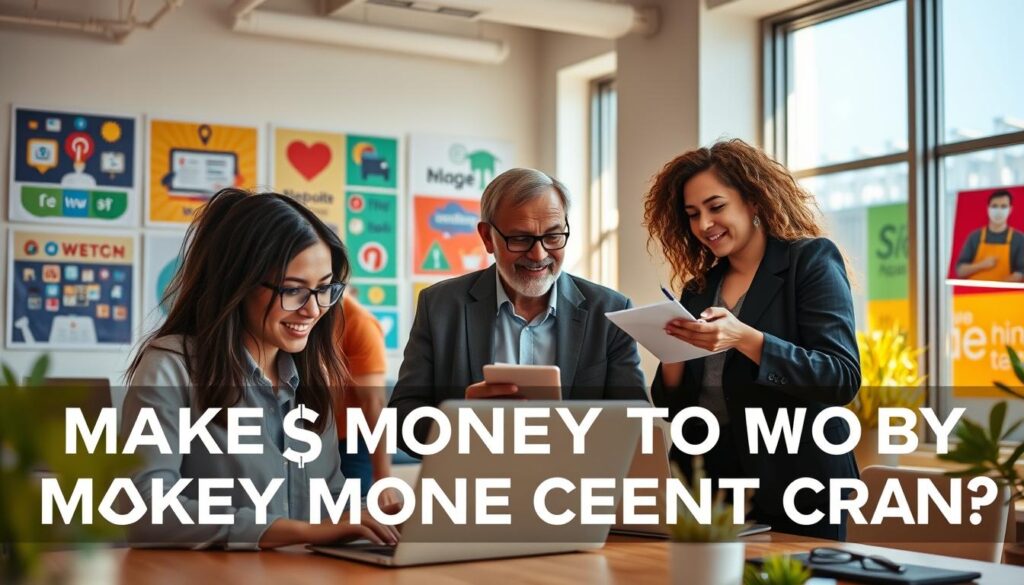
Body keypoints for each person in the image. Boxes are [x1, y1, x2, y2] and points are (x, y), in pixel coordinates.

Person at [123, 188, 398, 549]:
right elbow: (142, 510)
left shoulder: (313, 378)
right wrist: (296, 531)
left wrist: (373, 517)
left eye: (324, 289)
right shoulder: (171, 367)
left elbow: (327, 500)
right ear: (237, 284)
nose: (314, 310)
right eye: (293, 290)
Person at [643, 139, 861, 540]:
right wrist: (671, 350)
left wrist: (745, 338)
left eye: (716, 206)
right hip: (710, 487)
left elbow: (840, 377)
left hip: (797, 483)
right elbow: (676, 407)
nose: (704, 224)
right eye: (693, 214)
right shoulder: (698, 289)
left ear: (754, 201)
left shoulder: (809, 262)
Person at [389, 167, 647, 452]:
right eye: (520, 239)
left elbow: (636, 420)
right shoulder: (439, 306)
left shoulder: (610, 312)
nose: (538, 255)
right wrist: (459, 419)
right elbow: (402, 419)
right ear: (487, 238)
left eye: (553, 236)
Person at [333, 292, 398, 505]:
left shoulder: (359, 323)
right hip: (303, 436)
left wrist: (383, 479)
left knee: (345, 515)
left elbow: (374, 403)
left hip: (349, 443)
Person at [955, 189, 1024, 282]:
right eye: (994, 206)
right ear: (988, 208)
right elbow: (960, 271)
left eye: (1003, 206)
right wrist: (982, 265)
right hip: (974, 294)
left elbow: (1021, 273)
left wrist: (995, 287)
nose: (998, 211)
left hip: (1005, 295)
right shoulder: (974, 237)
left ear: (1010, 209)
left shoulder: (1019, 239)